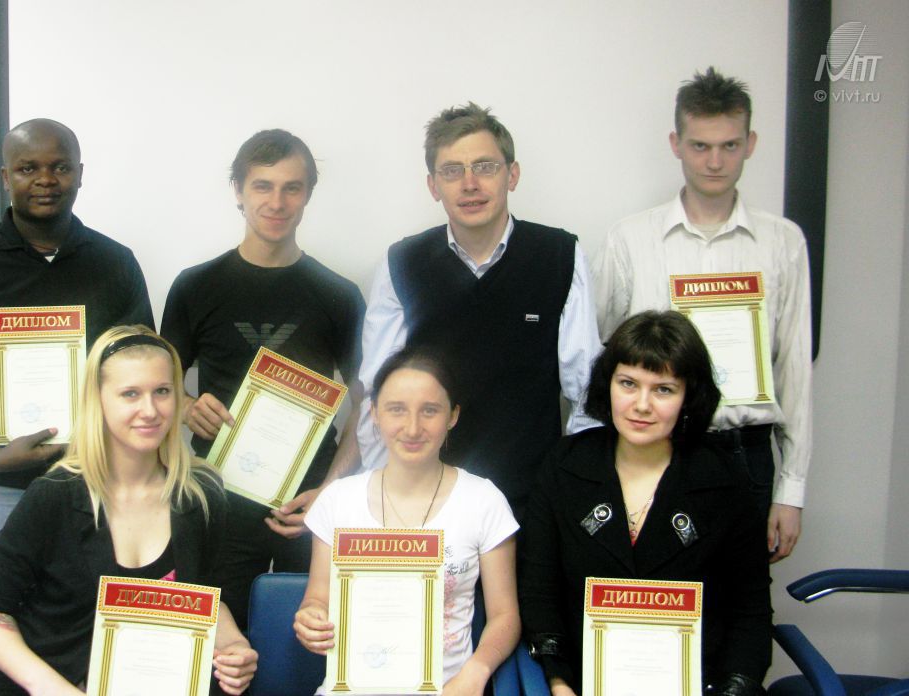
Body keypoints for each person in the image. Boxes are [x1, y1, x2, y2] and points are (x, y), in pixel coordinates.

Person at [0, 118, 154, 607]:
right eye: (27, 168)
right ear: (5, 177)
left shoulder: (115, 263)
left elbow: (143, 372)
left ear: (80, 174)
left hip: (93, 485)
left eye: (60, 167)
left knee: (86, 631)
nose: (45, 179)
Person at [0, 326, 257, 695]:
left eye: (162, 391)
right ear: (98, 400)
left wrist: (235, 646)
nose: (150, 410)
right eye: (130, 394)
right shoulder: (55, 495)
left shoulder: (200, 496)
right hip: (30, 682)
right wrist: (54, 690)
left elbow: (208, 599)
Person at [593, 67, 811, 562]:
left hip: (745, 454)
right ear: (676, 144)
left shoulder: (783, 243)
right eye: (700, 146)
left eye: (729, 145)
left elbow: (794, 370)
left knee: (739, 599)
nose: (715, 161)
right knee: (649, 594)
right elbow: (605, 353)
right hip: (649, 452)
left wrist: (791, 490)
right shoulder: (630, 239)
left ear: (751, 143)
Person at [161, 129, 365, 629]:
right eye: (262, 186)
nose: (277, 202)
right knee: (217, 638)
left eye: (292, 187)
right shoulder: (195, 286)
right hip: (219, 496)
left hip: (308, 501)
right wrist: (185, 406)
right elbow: (157, 384)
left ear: (308, 194)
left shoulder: (338, 295)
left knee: (308, 637)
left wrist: (331, 491)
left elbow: (370, 401)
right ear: (237, 189)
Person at [357, 102, 601, 517]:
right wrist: (384, 498)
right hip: (428, 500)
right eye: (452, 171)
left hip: (533, 497)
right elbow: (379, 397)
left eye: (485, 167)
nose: (469, 184)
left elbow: (586, 391)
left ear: (512, 174)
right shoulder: (402, 263)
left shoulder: (560, 255)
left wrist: (576, 483)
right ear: (433, 185)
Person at [519, 311, 772, 696]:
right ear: (608, 385)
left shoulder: (724, 480)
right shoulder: (564, 466)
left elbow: (749, 614)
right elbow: (539, 592)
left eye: (663, 390)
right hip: (582, 684)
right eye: (628, 383)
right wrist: (558, 683)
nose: (641, 404)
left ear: (689, 397)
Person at [295, 349, 520, 695]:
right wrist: (311, 618)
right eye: (396, 409)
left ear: (453, 416)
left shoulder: (483, 501)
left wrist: (477, 671)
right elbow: (317, 599)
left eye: (429, 410)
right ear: (374, 413)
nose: (413, 428)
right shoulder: (338, 501)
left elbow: (505, 616)